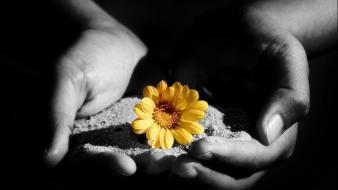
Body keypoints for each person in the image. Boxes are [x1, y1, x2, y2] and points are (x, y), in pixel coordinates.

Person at [43, 0, 337, 189]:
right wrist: (88, 22)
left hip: (238, 74)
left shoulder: (181, 114)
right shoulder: (154, 111)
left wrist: (280, 22)